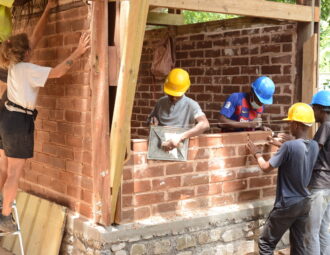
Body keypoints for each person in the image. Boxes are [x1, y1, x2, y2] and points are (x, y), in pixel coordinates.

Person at [0, 1, 90, 232]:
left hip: (5, 118)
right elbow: (59, 71)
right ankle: (5, 217)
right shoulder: (28, 70)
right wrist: (79, 51)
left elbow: (33, 39)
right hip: (19, 122)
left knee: (3, 169)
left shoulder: (11, 66)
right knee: (15, 173)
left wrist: (48, 9)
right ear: (28, 52)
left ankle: (1, 208)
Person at [247, 102, 319, 255]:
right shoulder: (313, 146)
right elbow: (296, 151)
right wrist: (278, 143)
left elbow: (266, 168)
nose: (289, 126)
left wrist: (257, 153)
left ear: (297, 125)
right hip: (305, 202)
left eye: (291, 122)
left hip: (287, 204)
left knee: (266, 243)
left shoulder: (289, 147)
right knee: (299, 244)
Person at [148, 68, 209, 151]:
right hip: (159, 147)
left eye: (177, 94)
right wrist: (152, 122)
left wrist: (180, 136)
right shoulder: (161, 102)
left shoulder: (191, 105)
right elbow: (150, 121)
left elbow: (204, 124)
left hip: (180, 149)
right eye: (171, 93)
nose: (174, 97)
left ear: (185, 89)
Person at [305, 90, 330, 255]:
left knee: (310, 232)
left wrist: (291, 145)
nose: (312, 112)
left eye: (313, 108)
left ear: (320, 109)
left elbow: (312, 152)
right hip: (328, 185)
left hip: (320, 184)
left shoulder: (326, 126)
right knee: (323, 230)